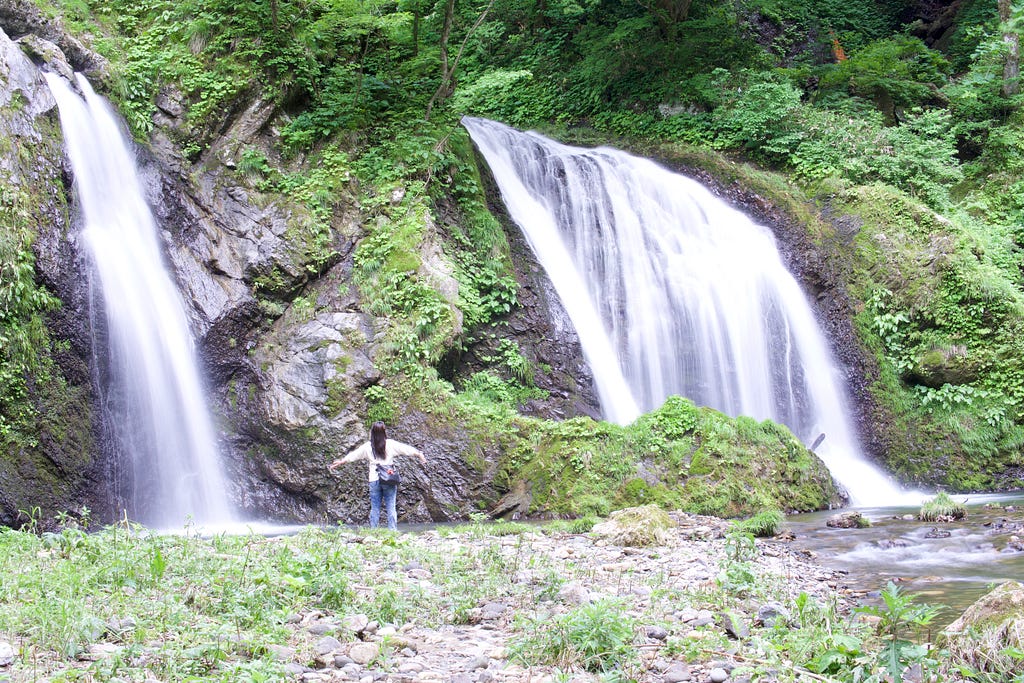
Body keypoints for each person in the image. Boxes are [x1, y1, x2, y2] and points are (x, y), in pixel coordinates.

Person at [328, 421, 426, 531]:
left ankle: (373, 531)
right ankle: (392, 531)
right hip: (388, 479)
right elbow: (405, 449)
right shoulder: (390, 444)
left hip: (374, 479)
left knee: (375, 508)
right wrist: (419, 454)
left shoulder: (367, 446)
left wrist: (342, 461)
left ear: (372, 433)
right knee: (391, 507)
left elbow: (354, 455)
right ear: (384, 432)